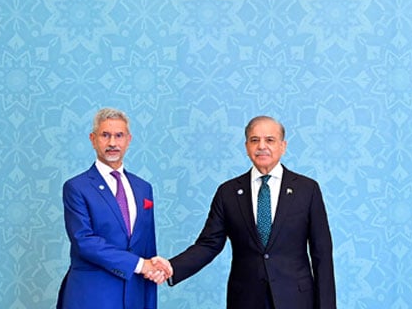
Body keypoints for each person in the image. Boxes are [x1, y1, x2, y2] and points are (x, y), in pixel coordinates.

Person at [153, 115, 336, 308]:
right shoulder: (228, 192)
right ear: (247, 146)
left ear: (283, 146)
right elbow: (209, 244)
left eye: (270, 140)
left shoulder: (307, 190)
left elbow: (322, 253)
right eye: (255, 140)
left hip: (296, 299)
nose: (262, 146)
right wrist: (173, 267)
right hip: (246, 299)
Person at [57, 108, 168, 309]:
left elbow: (147, 246)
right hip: (91, 296)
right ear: (93, 139)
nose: (112, 143)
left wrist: (152, 273)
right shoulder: (76, 187)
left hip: (135, 293)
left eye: (119, 135)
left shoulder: (143, 188)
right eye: (105, 135)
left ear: (129, 139)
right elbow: (84, 242)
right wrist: (141, 265)